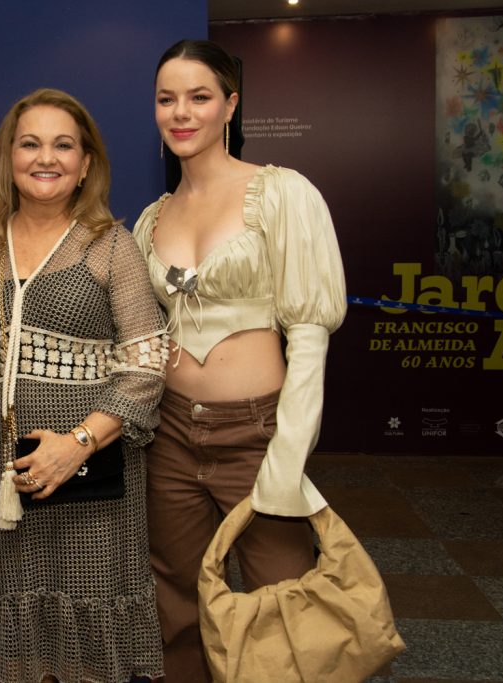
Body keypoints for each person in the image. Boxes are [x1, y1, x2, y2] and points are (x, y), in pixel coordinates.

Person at [133, 39, 347, 682]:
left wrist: (289, 451)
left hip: (257, 432)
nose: (182, 112)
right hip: (169, 431)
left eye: (199, 97)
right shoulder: (151, 218)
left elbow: (309, 332)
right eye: (167, 98)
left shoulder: (281, 194)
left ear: (230, 103)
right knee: (175, 593)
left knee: (281, 598)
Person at [0, 88, 169, 682]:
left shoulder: (110, 246)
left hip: (92, 475)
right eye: (31, 143)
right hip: (5, 478)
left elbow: (147, 364)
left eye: (63, 145)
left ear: (86, 163)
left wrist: (77, 445)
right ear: (8, 158)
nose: (47, 158)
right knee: (16, 649)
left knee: (90, 648)